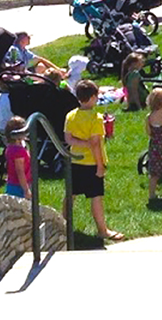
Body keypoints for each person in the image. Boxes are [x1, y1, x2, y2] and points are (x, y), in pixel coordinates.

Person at [64, 79, 123, 242]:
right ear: (92, 98)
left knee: (70, 195)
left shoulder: (71, 115)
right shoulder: (96, 118)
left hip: (75, 161)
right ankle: (102, 230)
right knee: (96, 197)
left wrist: (82, 143)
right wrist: (100, 165)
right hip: (91, 163)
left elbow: (68, 139)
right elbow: (96, 144)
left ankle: (64, 226)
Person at [2, 117, 32, 200]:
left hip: (12, 184)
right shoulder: (19, 151)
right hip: (19, 186)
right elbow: (20, 171)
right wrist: (26, 190)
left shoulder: (10, 148)